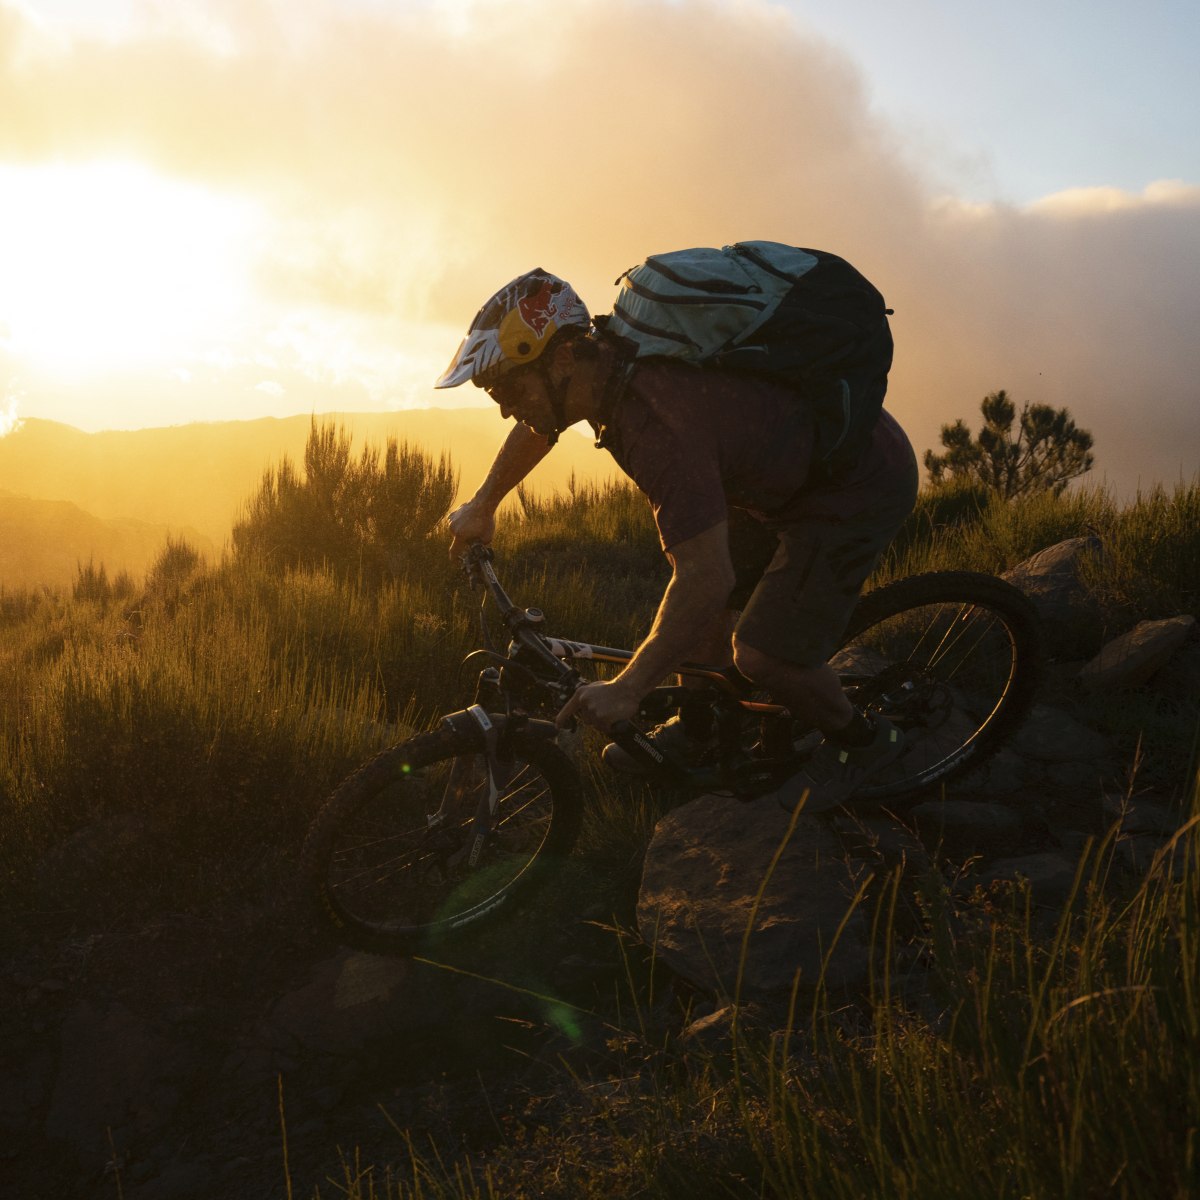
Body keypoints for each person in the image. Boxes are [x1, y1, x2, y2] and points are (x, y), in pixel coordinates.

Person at [436, 263, 919, 809]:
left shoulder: (657, 423)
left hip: (851, 488)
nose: (502, 407)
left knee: (761, 656)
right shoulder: (611, 360)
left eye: (507, 386)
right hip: (772, 480)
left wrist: (629, 689)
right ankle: (700, 726)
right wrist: (484, 504)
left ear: (566, 357)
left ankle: (869, 743)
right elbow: (540, 419)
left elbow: (706, 578)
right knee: (700, 603)